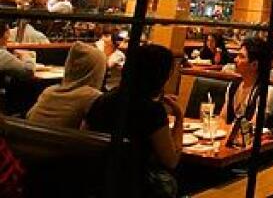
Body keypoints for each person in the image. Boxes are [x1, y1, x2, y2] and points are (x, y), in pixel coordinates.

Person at [85, 44, 183, 198]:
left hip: (94, 181)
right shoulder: (152, 111)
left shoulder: (103, 100)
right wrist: (179, 118)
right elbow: (171, 160)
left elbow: (84, 135)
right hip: (135, 186)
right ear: (160, 76)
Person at [27, 41, 105, 128]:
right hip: (59, 141)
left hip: (25, 139)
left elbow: (29, 116)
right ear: (97, 72)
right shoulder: (92, 97)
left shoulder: (48, 91)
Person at [222, 37, 273, 126]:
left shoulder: (266, 92)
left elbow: (253, 127)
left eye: (241, 57)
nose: (235, 59)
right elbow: (222, 119)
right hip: (230, 136)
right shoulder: (233, 86)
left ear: (254, 65)